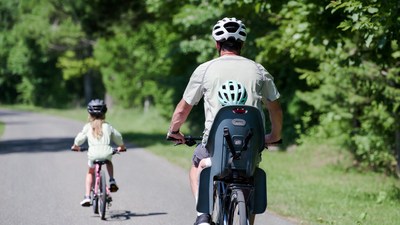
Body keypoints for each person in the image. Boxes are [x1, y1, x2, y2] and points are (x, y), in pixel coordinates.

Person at [166, 17, 283, 225]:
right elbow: (275, 108)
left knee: (196, 163)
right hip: (251, 146)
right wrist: (274, 136)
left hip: (215, 147)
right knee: (251, 176)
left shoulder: (205, 70)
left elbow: (183, 109)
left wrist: (174, 131)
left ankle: (203, 216)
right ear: (242, 44)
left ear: (217, 44)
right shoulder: (259, 70)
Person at [71, 99, 126, 207]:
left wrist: (76, 146)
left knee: (90, 172)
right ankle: (111, 180)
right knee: (109, 161)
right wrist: (121, 147)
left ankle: (87, 196)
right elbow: (118, 137)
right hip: (107, 153)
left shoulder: (88, 127)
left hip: (93, 154)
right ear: (104, 113)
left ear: (89, 113)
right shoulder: (108, 126)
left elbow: (79, 139)